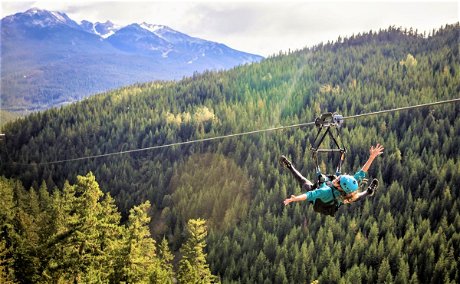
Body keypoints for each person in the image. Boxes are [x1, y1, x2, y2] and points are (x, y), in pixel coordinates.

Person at [281, 144, 384, 215]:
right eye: (340, 177)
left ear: (339, 186)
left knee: (304, 182)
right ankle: (369, 192)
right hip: (335, 198)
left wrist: (294, 199)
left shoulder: (325, 191)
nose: (337, 178)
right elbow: (362, 172)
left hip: (321, 201)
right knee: (353, 197)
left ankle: (289, 166)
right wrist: (372, 157)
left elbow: (309, 195)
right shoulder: (348, 184)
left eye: (338, 180)